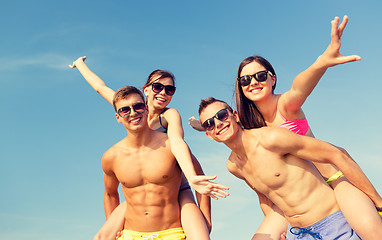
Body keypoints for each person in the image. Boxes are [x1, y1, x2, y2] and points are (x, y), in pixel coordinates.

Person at [190, 16, 382, 238]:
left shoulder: (286, 106)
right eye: (245, 80)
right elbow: (222, 126)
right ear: (240, 88)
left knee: (372, 231)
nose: (253, 82)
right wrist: (200, 126)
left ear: (272, 79)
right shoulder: (248, 122)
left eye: (260, 76)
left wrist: (322, 62)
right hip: (298, 204)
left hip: (334, 180)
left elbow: (300, 86)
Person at [69, 59, 228, 239]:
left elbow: (176, 141)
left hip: (178, 184)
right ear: (146, 89)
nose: (163, 93)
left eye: (170, 90)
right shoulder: (130, 105)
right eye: (158, 87)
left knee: (200, 234)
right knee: (103, 235)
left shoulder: (169, 115)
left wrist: (191, 178)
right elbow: (100, 87)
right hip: (141, 187)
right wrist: (80, 65)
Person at [198, 97, 382, 239]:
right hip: (298, 233)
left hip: (333, 222)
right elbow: (265, 196)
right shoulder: (233, 166)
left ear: (235, 115)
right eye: (209, 123)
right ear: (208, 134)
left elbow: (337, 154)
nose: (218, 123)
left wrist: (377, 203)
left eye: (221, 115)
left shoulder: (271, 139)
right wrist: (280, 231)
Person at [100, 86, 189, 239]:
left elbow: (199, 177)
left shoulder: (170, 145)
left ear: (146, 108)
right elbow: (110, 194)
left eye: (138, 106)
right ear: (118, 117)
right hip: (131, 234)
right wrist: (113, 226)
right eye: (124, 110)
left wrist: (207, 220)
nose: (133, 113)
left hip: (171, 233)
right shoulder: (111, 157)